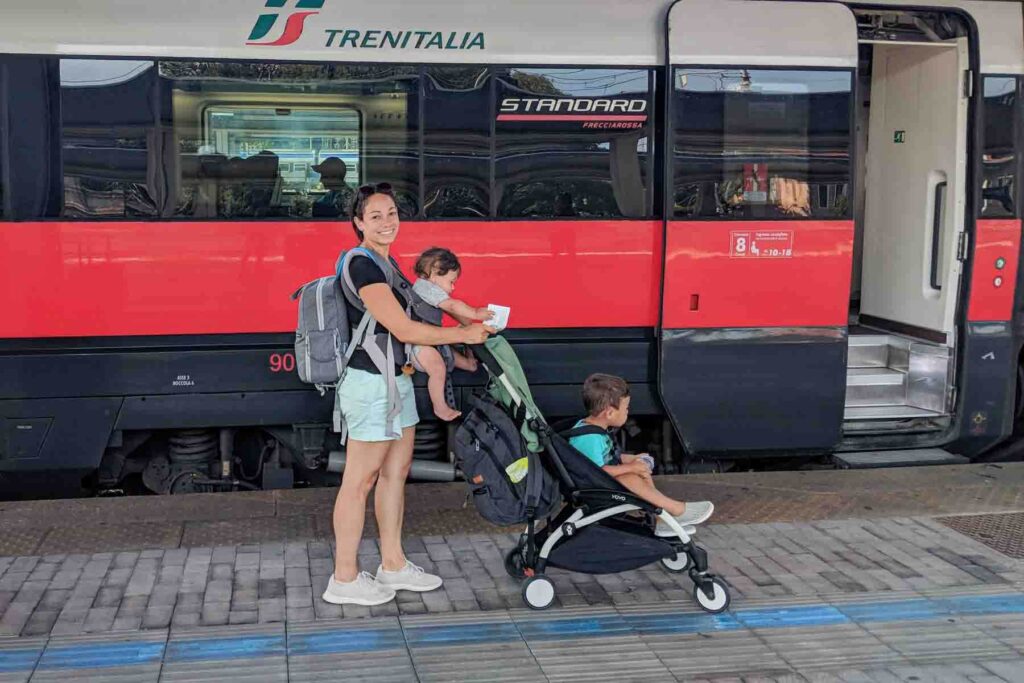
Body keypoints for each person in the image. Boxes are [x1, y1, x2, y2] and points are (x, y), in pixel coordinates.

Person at [322, 183, 494, 607]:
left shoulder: (387, 262)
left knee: (395, 475)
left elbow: (424, 303)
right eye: (375, 216)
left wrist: (469, 315)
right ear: (359, 223)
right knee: (359, 481)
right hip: (369, 385)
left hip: (395, 382)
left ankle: (392, 564)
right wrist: (463, 334)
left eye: (392, 213)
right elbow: (403, 328)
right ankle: (343, 577)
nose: (386, 222)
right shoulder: (363, 266)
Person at [568, 373, 714, 534]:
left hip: (599, 481)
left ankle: (661, 516)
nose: (627, 412)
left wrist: (631, 460)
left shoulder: (595, 431)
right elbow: (597, 470)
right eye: (626, 408)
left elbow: (604, 457)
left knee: (639, 470)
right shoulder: (589, 437)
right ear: (609, 413)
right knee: (630, 477)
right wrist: (630, 468)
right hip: (594, 488)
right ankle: (676, 509)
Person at [410, 247, 494, 421]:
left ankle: (470, 356)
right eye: (451, 281)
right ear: (434, 275)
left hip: (434, 341)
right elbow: (452, 306)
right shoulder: (425, 288)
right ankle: (440, 407)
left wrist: (466, 331)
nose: (453, 287)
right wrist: (476, 312)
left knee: (470, 365)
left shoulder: (431, 291)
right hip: (418, 345)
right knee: (437, 368)